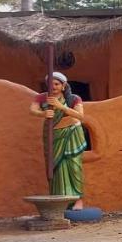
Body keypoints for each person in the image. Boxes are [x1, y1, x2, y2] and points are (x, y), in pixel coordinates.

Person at [29, 72, 87, 209]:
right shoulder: (43, 97)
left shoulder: (73, 98)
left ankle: (78, 200)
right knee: (55, 169)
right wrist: (42, 113)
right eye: (50, 84)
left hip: (71, 136)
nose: (53, 87)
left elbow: (80, 116)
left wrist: (61, 107)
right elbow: (32, 110)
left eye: (56, 84)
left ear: (63, 85)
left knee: (74, 167)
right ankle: (59, 200)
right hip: (52, 136)